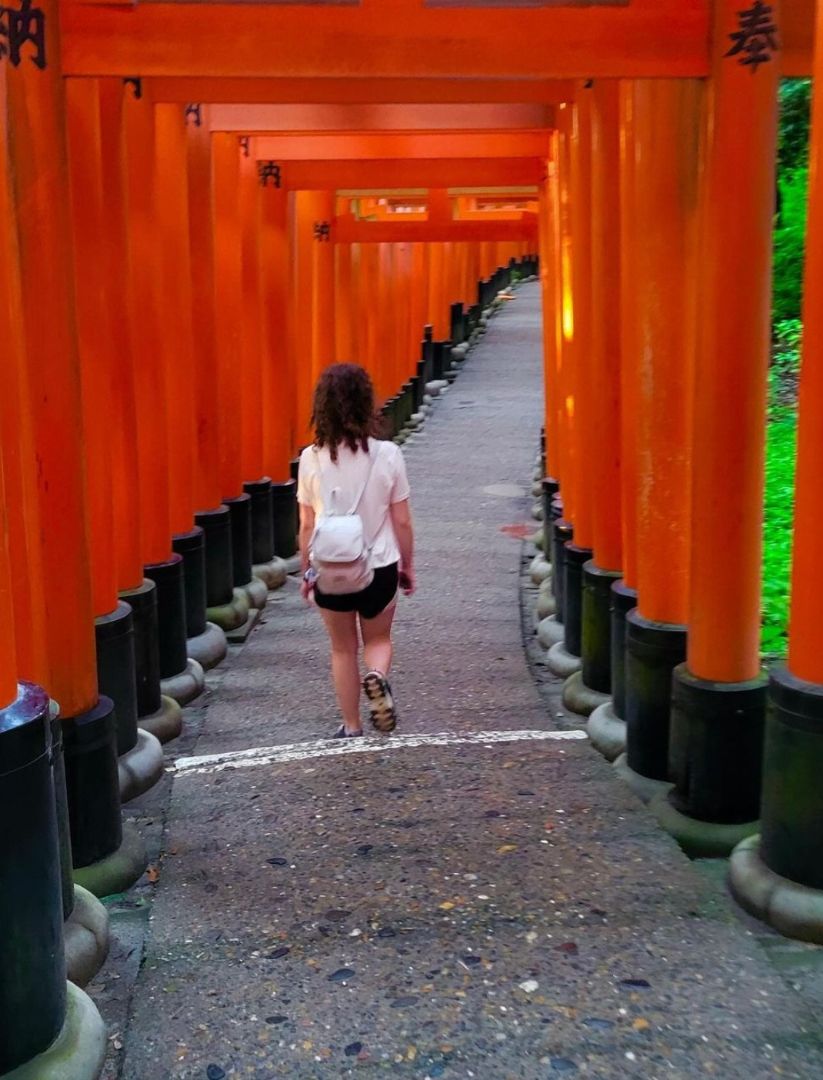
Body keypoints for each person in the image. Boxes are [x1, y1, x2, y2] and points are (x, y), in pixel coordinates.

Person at [297, 363, 415, 738]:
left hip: (331, 570)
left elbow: (306, 526)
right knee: (377, 640)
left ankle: (351, 725)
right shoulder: (389, 454)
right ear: (368, 404)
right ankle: (377, 676)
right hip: (379, 565)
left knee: (342, 649)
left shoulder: (310, 459)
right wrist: (407, 566)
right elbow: (403, 522)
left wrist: (307, 571)